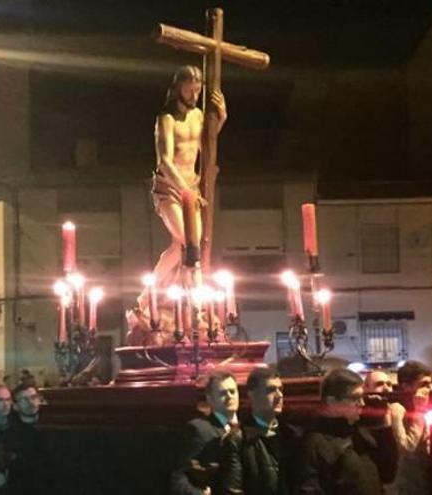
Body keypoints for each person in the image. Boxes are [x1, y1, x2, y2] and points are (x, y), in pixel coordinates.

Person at [128, 65, 228, 345]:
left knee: (191, 248)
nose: (195, 95)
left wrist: (220, 120)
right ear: (178, 88)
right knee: (184, 240)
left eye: (198, 90)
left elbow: (205, 148)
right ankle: (151, 293)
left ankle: (194, 304)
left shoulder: (198, 116)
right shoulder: (166, 119)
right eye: (190, 89)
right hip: (170, 188)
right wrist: (183, 189)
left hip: (191, 187)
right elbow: (164, 160)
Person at [298, 369, 397, 494]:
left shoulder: (362, 433)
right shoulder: (314, 443)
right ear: (331, 401)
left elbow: (388, 474)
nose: (361, 403)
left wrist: (383, 427)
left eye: (362, 397)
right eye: (355, 398)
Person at [220, 367, 299, 494]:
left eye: (281, 389)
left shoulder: (292, 435)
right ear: (252, 395)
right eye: (271, 390)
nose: (279, 395)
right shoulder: (237, 439)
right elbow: (233, 490)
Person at [171, 369, 239, 495]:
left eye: (233, 391)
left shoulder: (246, 428)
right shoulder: (199, 429)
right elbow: (178, 478)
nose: (230, 396)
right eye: (223, 393)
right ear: (210, 398)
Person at [388, 360, 432, 495]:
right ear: (406, 386)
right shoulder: (397, 409)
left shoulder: (424, 408)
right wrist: (419, 412)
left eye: (431, 383)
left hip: (424, 480)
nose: (431, 388)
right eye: (424, 384)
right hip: (406, 485)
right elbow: (406, 449)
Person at [0, 384, 45, 494]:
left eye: (34, 397)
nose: (31, 402)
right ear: (15, 406)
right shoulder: (9, 434)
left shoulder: (51, 425)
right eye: (24, 399)